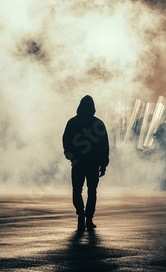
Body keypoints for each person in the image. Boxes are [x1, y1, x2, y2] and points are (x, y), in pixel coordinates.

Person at [62, 95, 109, 231]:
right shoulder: (98, 124)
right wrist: (104, 164)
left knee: (77, 190)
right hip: (93, 164)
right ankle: (89, 218)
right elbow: (104, 146)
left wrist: (71, 156)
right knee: (92, 191)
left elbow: (66, 141)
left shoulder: (72, 122)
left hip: (78, 163)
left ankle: (81, 215)